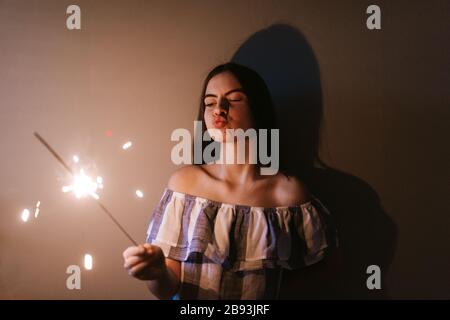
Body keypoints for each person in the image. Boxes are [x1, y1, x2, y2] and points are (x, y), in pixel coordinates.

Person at [122, 62, 338, 299]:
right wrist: (157, 272)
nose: (219, 109)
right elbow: (167, 289)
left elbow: (311, 284)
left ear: (258, 108)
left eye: (234, 99)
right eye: (210, 102)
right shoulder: (184, 185)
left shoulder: (288, 196)